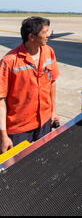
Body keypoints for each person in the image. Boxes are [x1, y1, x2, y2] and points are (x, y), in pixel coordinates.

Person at [0, 17, 60, 154]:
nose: (49, 35)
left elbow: (52, 82)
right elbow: (0, 100)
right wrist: (3, 135)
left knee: (41, 160)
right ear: (31, 36)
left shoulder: (49, 52)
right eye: (45, 32)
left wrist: (53, 111)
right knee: (16, 169)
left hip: (44, 121)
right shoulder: (9, 61)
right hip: (19, 129)